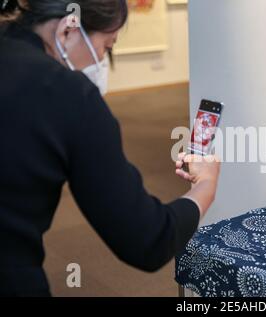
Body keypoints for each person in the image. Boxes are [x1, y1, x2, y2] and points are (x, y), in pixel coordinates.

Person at [0, 0, 220, 297]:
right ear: (68, 30)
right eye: (107, 46)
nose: (101, 62)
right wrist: (205, 186)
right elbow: (147, 240)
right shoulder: (71, 97)